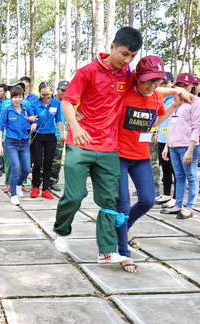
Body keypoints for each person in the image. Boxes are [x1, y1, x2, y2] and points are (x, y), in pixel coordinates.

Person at [52, 27, 143, 264]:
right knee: (74, 195)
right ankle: (61, 230)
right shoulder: (87, 72)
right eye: (124, 54)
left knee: (109, 201)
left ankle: (106, 250)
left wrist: (176, 92)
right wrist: (77, 127)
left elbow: (148, 87)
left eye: (133, 56)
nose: (127, 60)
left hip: (109, 148)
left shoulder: (127, 74)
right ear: (111, 48)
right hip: (80, 144)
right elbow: (67, 103)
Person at [115, 56, 179, 273]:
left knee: (148, 200)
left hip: (141, 156)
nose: (152, 86)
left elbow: (155, 120)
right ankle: (123, 253)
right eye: (148, 81)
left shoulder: (155, 98)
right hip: (119, 156)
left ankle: (125, 230)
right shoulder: (124, 93)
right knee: (122, 206)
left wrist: (173, 107)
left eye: (157, 82)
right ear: (137, 78)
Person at [161, 73, 200, 219]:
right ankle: (178, 204)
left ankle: (190, 206)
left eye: (185, 86)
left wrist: (190, 150)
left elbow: (196, 127)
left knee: (191, 176)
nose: (183, 88)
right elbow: (172, 126)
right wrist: (167, 145)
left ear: (192, 86)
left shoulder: (196, 103)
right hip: (174, 145)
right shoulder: (177, 103)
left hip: (188, 146)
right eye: (179, 86)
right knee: (179, 176)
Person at [0, 86, 38, 206]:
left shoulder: (26, 108)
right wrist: (0, 145)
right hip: (11, 143)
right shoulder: (7, 110)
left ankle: (19, 184)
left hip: (24, 142)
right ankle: (13, 194)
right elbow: (0, 128)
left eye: (19, 97)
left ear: (23, 97)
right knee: (15, 168)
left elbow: (33, 119)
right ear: (11, 97)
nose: (17, 100)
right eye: (15, 97)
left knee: (26, 169)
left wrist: (33, 123)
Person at [30, 82, 63, 199]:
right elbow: (31, 119)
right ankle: (35, 187)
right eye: (43, 95)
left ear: (52, 92)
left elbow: (58, 119)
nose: (45, 97)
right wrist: (32, 124)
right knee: (38, 162)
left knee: (48, 163)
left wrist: (62, 135)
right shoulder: (34, 104)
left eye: (48, 95)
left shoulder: (56, 103)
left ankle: (45, 189)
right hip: (38, 136)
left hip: (51, 136)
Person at [155, 72, 176, 208]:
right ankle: (166, 194)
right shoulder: (158, 99)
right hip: (161, 137)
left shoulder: (174, 99)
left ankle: (176, 197)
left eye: (166, 83)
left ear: (171, 84)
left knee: (175, 170)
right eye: (161, 83)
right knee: (165, 167)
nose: (163, 86)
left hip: (173, 138)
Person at [50, 80, 69, 192]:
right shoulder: (50, 101)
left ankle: (53, 181)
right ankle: (40, 181)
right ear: (57, 90)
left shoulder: (68, 103)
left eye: (66, 91)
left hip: (59, 136)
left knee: (57, 161)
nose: (64, 93)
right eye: (62, 90)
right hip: (47, 134)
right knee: (43, 159)